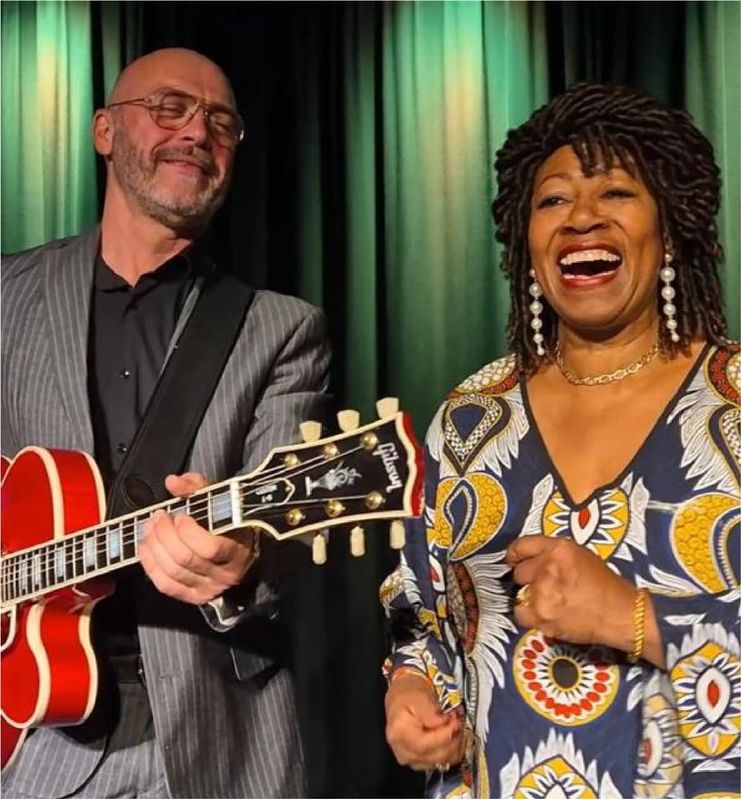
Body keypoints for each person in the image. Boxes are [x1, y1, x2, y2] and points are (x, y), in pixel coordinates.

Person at [381, 82, 739, 798]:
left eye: (616, 194)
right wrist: (410, 691)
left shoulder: (731, 405)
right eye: (553, 201)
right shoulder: (472, 419)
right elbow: (422, 617)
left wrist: (636, 620)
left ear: (671, 228)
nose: (580, 218)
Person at [2, 48, 330, 798]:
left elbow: (284, 537)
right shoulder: (8, 294)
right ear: (105, 131)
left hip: (206, 736)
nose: (196, 132)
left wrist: (244, 556)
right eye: (169, 108)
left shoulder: (281, 329)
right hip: (27, 738)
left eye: (221, 122)